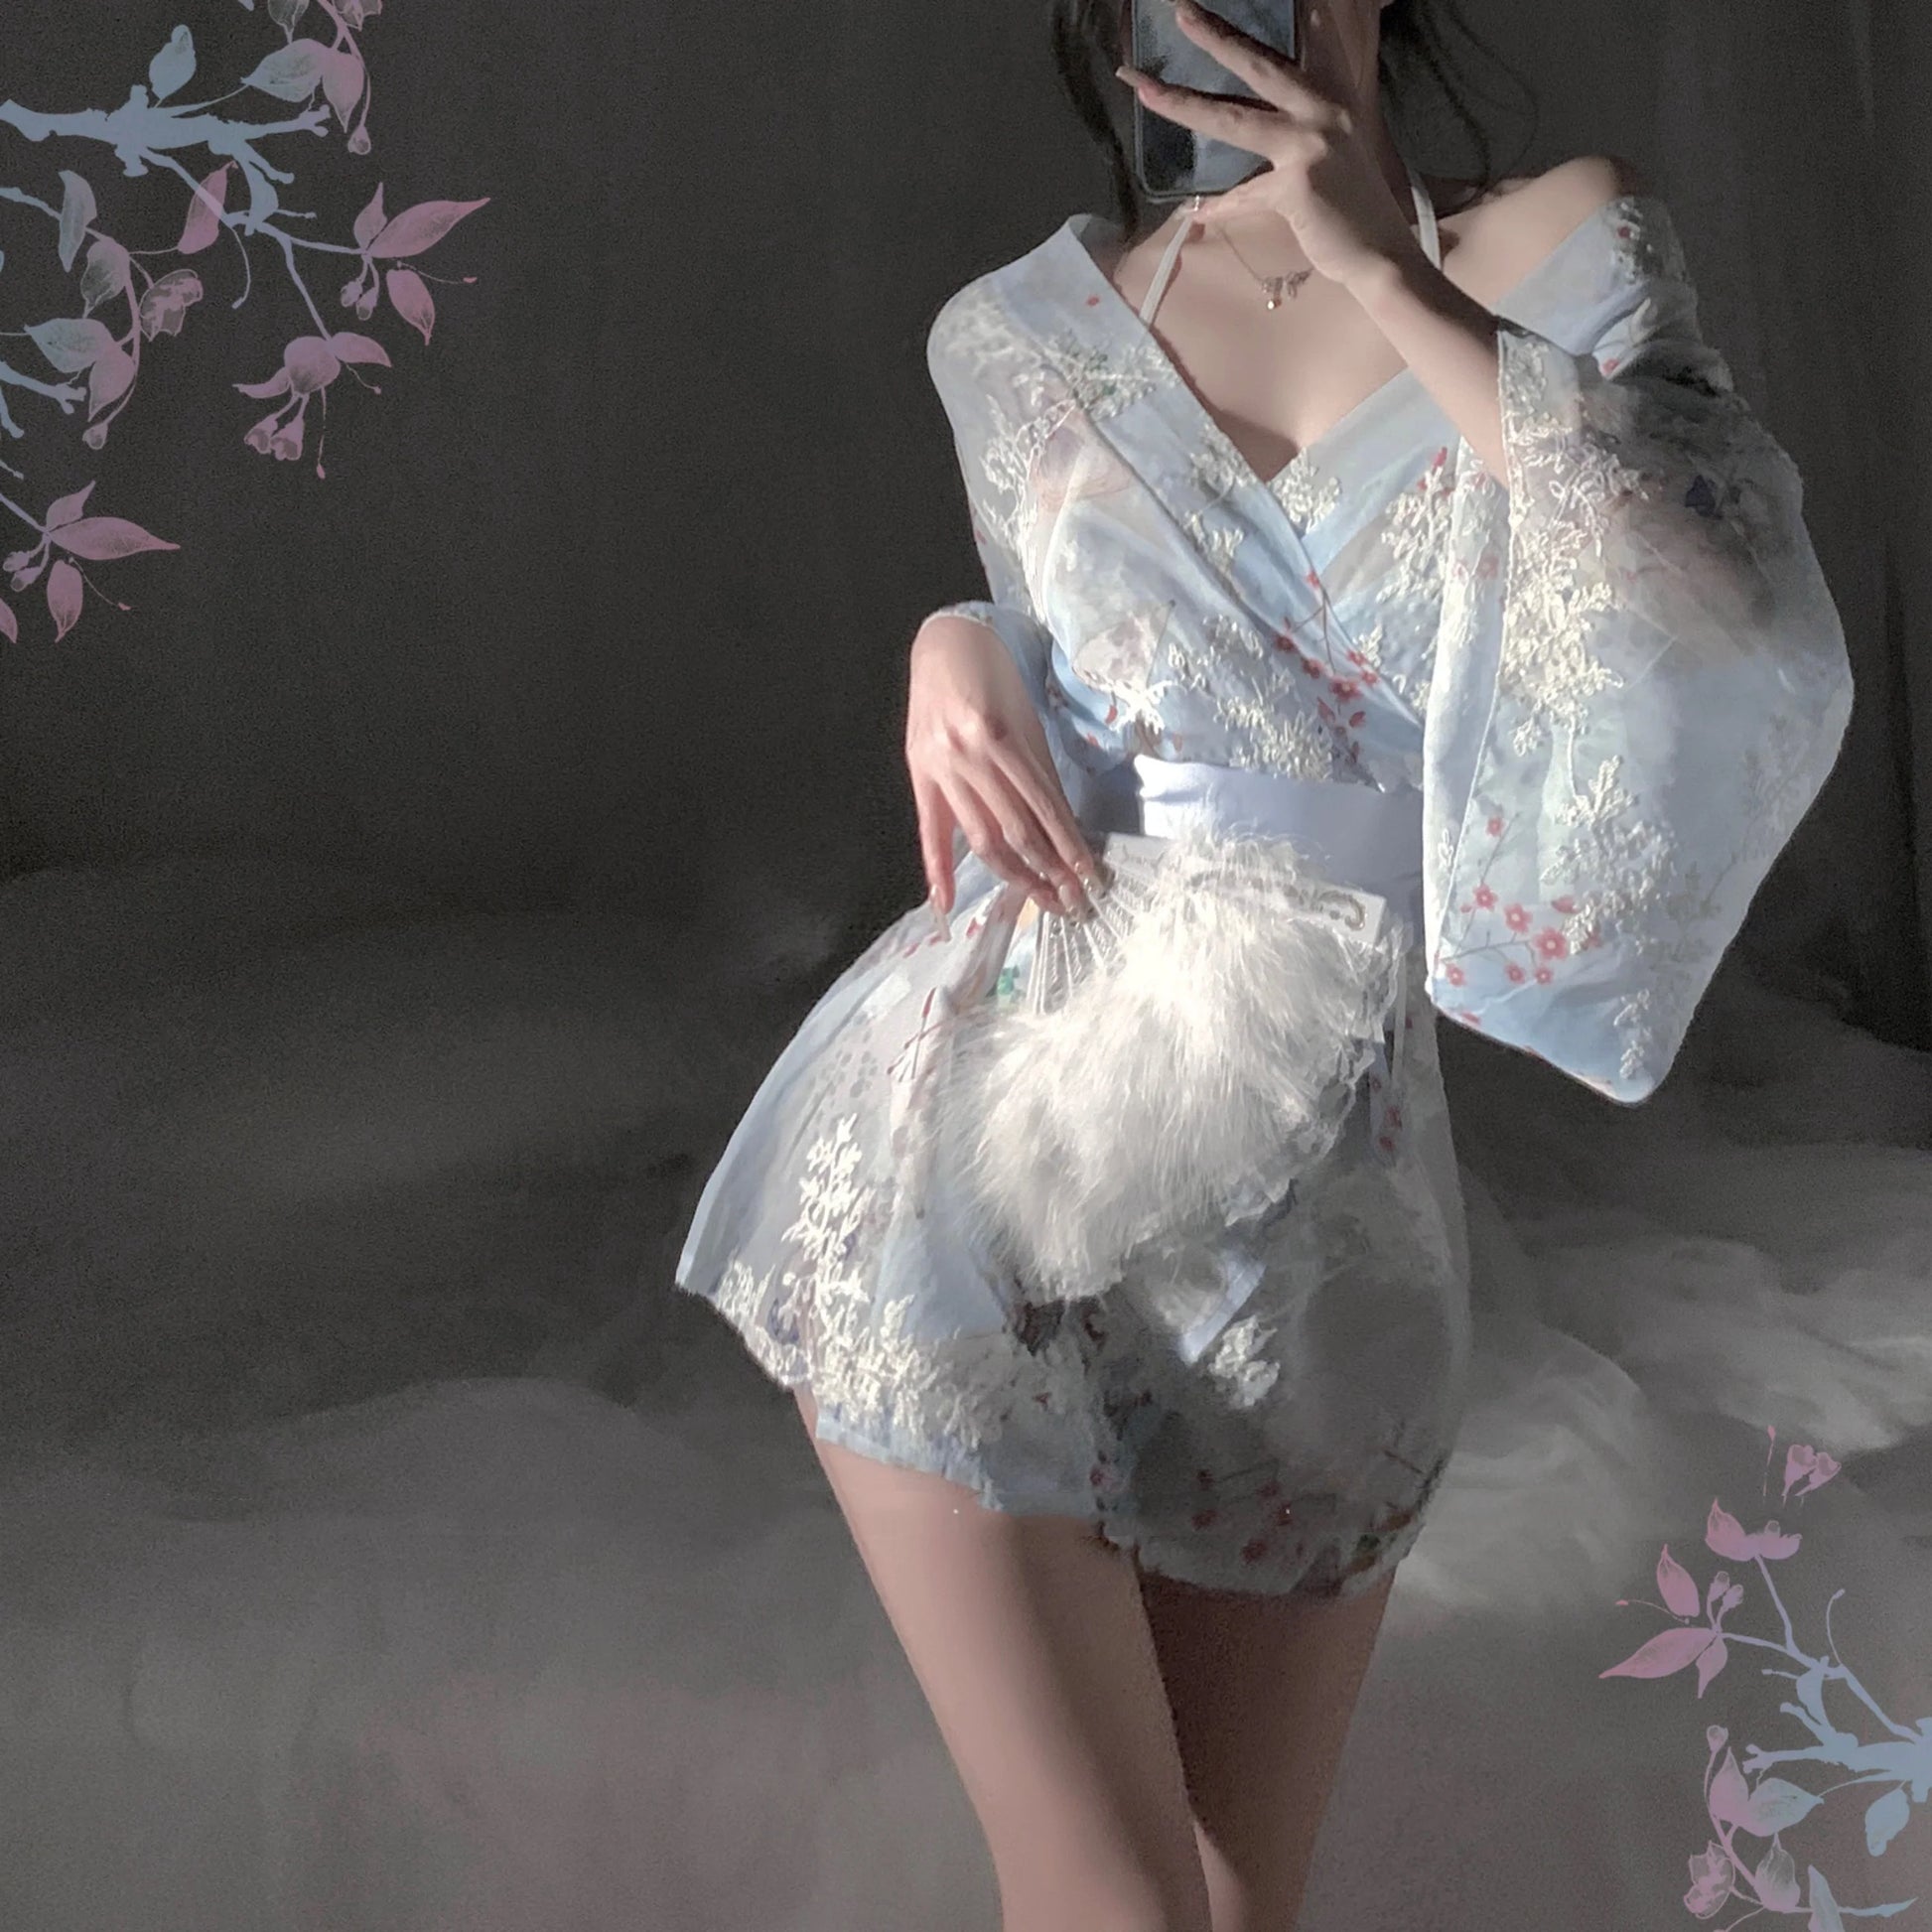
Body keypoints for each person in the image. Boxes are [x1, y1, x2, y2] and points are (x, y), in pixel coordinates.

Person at [673, 1, 1855, 1926]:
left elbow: (1720, 612)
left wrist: (1390, 272)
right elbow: (1085, 695)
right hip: (996, 1144)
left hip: (1336, 1227)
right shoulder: (1021, 335)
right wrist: (950, 640)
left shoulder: (1561, 241)